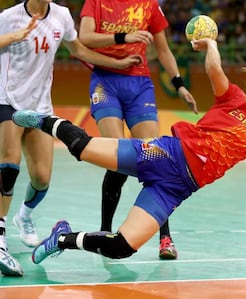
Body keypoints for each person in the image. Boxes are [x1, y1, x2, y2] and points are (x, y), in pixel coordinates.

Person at [12, 37, 246, 266]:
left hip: (177, 188)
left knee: (123, 247)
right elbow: (214, 72)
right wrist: (211, 45)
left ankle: (62, 239)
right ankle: (45, 120)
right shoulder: (234, 99)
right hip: (167, 154)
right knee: (83, 149)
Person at [0, 0, 144, 277]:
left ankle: (24, 216)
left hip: (40, 107)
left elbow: (78, 49)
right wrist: (14, 37)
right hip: (7, 100)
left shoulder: (62, 16)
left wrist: (118, 62)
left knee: (42, 179)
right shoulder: (9, 17)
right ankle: (1, 238)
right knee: (8, 167)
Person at [77, 0, 198, 260]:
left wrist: (179, 84)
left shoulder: (150, 5)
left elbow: (163, 51)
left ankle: (165, 237)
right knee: (117, 154)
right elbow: (85, 37)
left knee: (156, 158)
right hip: (105, 82)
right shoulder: (96, 2)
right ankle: (105, 231)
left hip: (139, 84)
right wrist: (125, 36)